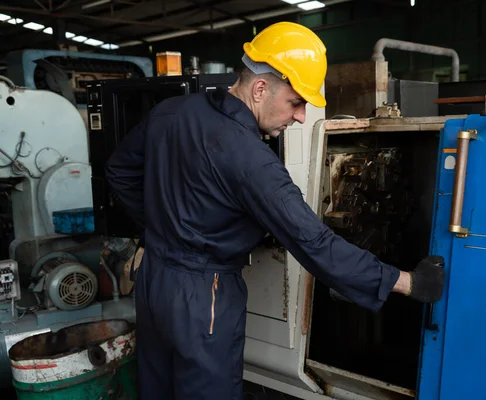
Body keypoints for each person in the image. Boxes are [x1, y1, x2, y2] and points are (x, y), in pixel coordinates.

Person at [105, 21, 445, 400]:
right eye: (296, 102)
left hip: (153, 281)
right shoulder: (254, 162)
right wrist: (408, 282)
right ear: (261, 88)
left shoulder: (171, 112)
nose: (300, 116)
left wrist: (161, 228)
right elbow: (315, 243)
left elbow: (119, 171)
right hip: (206, 296)